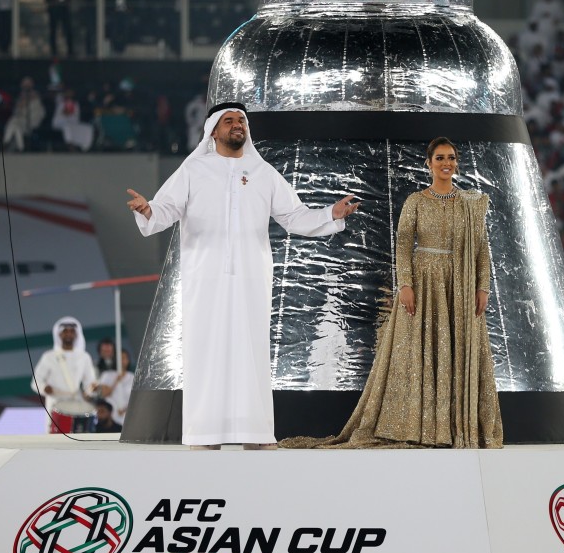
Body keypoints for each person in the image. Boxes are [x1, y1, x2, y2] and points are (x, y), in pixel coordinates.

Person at [126, 102, 358, 450]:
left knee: (250, 351)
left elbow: (293, 216)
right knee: (206, 349)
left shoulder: (261, 171)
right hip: (205, 276)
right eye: (229, 120)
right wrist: (149, 210)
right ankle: (203, 434)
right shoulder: (194, 169)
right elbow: (166, 209)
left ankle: (256, 433)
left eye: (241, 121)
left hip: (251, 275)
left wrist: (330, 213)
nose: (237, 125)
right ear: (213, 131)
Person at [282, 137, 503, 449]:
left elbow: (481, 249)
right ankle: (424, 427)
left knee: (456, 348)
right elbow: (402, 245)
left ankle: (455, 427)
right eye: (439, 158)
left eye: (451, 158)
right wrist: (406, 285)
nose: (446, 163)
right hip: (425, 283)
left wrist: (483, 287)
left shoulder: (470, 204)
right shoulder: (415, 201)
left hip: (461, 285)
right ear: (429, 163)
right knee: (421, 350)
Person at [30, 317, 98, 434]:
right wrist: (44, 388)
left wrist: (91, 390)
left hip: (77, 404)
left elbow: (89, 383)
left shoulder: (84, 357)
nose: (68, 334)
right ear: (59, 334)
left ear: (77, 334)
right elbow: (36, 382)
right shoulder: (49, 357)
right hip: (55, 405)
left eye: (72, 331)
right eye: (65, 331)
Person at [97, 349, 133, 426]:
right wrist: (116, 381)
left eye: (124, 358)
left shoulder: (133, 377)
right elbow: (104, 394)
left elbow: (135, 399)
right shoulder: (107, 375)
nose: (122, 360)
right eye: (120, 358)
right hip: (110, 419)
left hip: (127, 417)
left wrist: (125, 409)